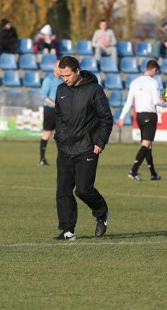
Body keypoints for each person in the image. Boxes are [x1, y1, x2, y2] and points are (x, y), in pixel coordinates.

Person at [53, 55, 113, 240]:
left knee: (83, 190)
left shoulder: (94, 90)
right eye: (62, 76)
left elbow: (106, 119)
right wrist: (59, 136)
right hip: (65, 148)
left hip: (87, 147)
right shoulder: (61, 90)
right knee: (63, 190)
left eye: (68, 75)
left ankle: (101, 213)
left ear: (77, 71)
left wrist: (100, 142)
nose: (65, 79)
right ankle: (68, 230)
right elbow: (59, 116)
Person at [117, 59, 167, 181]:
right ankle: (133, 170)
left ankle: (153, 173)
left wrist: (122, 117)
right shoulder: (154, 82)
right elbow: (156, 101)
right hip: (150, 116)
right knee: (146, 144)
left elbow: (129, 101)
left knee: (148, 145)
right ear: (154, 69)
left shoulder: (135, 82)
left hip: (139, 116)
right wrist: (166, 104)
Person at [38, 60, 63, 166]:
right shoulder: (49, 79)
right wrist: (54, 104)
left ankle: (62, 159)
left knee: (61, 135)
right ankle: (42, 159)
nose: (60, 69)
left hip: (61, 111)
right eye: (58, 67)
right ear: (54, 68)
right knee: (47, 133)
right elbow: (43, 96)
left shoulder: (63, 81)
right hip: (50, 110)